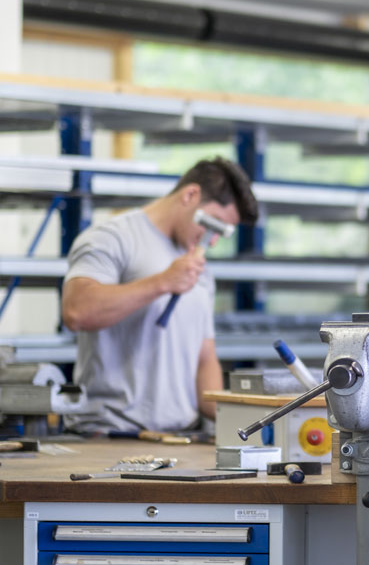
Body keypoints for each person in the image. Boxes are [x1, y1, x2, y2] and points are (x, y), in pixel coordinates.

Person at [61, 156, 259, 434]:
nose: (213, 240)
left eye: (221, 233)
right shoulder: (113, 238)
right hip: (109, 435)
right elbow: (77, 312)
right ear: (191, 194)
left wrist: (246, 421)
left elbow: (204, 358)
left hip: (179, 437)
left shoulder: (200, 271)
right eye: (213, 223)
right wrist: (162, 282)